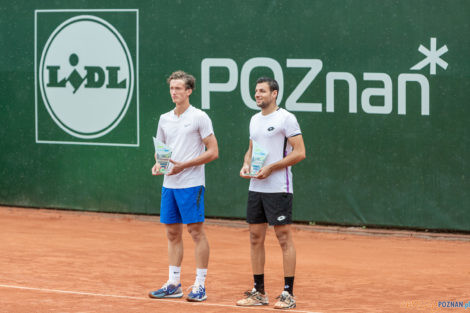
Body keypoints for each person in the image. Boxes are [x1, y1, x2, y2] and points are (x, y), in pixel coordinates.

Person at [148, 70, 218, 302]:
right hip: (170, 184)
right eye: (172, 88)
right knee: (171, 232)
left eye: (179, 88)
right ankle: (173, 283)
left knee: (195, 232)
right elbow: (161, 152)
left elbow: (213, 152)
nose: (174, 92)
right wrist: (158, 165)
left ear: (189, 91)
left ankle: (199, 285)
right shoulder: (164, 119)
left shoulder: (200, 117)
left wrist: (185, 165)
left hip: (191, 183)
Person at [237, 77, 306, 309]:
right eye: (256, 91)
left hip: (279, 188)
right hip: (256, 187)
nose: (257, 95)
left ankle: (288, 293)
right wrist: (246, 165)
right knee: (255, 238)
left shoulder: (286, 118)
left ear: (274, 93)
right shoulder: (254, 120)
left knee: (283, 238)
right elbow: (251, 151)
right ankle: (259, 292)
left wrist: (271, 167)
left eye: (262, 91)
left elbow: (300, 152)